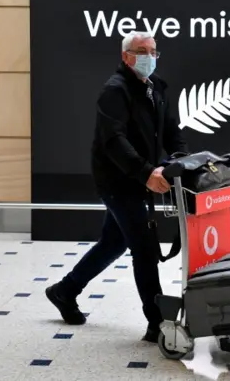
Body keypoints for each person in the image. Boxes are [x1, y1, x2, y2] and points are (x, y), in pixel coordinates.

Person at [46, 31, 188, 343]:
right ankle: (157, 323)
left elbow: (171, 130)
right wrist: (147, 172)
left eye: (153, 51)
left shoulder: (156, 87)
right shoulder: (115, 91)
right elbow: (114, 141)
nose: (149, 57)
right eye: (141, 51)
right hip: (117, 181)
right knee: (144, 247)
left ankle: (64, 291)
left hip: (140, 178)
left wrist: (179, 159)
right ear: (125, 56)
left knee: (113, 242)